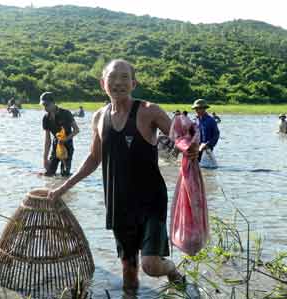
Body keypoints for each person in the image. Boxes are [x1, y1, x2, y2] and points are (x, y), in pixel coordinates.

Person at [48, 60, 193, 295]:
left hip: (150, 201)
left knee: (151, 265)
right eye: (113, 77)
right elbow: (94, 159)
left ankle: (172, 270)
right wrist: (62, 187)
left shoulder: (149, 111)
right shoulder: (99, 117)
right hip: (118, 203)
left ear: (134, 83)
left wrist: (191, 146)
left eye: (125, 77)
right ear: (102, 83)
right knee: (128, 275)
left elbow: (180, 139)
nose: (118, 82)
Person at [40, 92, 80, 176]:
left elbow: (76, 130)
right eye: (43, 105)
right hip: (55, 145)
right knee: (48, 174)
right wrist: (45, 159)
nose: (45, 108)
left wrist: (65, 139)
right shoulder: (46, 118)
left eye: (47, 105)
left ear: (53, 103)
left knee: (64, 175)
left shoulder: (66, 113)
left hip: (67, 146)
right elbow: (47, 140)